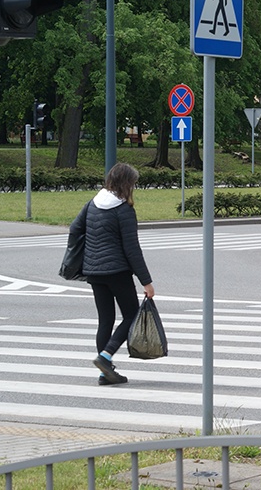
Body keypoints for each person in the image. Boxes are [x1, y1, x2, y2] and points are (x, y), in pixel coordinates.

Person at [68, 162, 156, 386]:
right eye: (133, 183)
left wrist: (90, 251)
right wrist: (146, 282)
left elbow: (74, 229)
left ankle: (104, 374)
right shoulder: (124, 210)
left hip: (94, 271)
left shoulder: (92, 204)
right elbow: (132, 249)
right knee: (132, 315)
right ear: (126, 183)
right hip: (117, 271)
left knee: (105, 320)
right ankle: (105, 357)